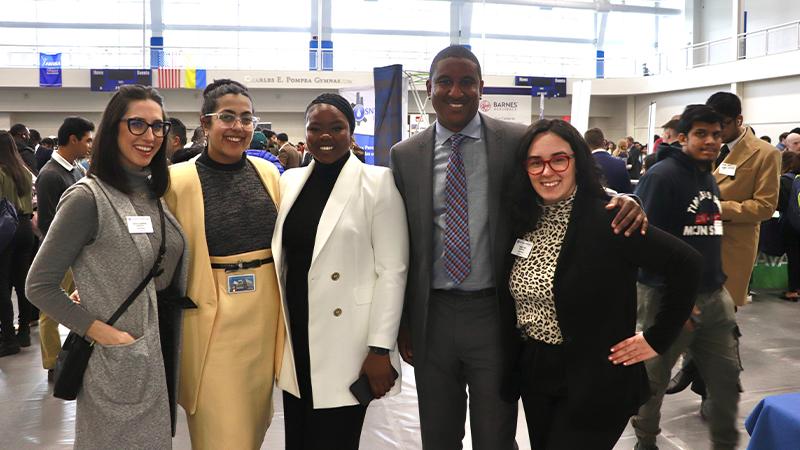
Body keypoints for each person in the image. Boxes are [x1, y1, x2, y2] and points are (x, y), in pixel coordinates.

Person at [389, 45, 647, 450]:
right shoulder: (405, 156)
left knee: (495, 435)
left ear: (481, 88)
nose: (456, 91)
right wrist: (404, 321)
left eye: (466, 82)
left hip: (495, 314)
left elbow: (561, 180)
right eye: (445, 81)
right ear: (429, 87)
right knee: (438, 436)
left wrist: (619, 197)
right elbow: (402, 243)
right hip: (431, 318)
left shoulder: (511, 141)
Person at [506, 118, 701, 449]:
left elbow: (686, 263)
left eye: (559, 159)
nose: (547, 171)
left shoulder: (611, 217)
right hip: (537, 373)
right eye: (535, 162)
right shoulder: (523, 217)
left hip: (596, 377)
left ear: (577, 162)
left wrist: (657, 338)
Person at [26, 84, 189, 449]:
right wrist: (101, 332)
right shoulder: (87, 198)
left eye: (158, 126)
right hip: (118, 354)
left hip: (156, 348)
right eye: (137, 125)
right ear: (113, 128)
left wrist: (99, 284)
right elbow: (39, 285)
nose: (150, 136)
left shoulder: (150, 192)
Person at [273, 93, 408, 449]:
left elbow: (393, 271)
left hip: (348, 340)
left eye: (337, 127)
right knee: (298, 438)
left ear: (351, 131)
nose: (326, 136)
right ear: (306, 133)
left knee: (334, 438)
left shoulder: (378, 183)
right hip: (297, 332)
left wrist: (380, 349)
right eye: (315, 128)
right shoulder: (289, 182)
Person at [163, 79, 283, 450]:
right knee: (222, 432)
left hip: (264, 316)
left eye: (247, 119)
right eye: (227, 117)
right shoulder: (177, 180)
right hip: (211, 318)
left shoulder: (268, 174)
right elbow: (155, 246)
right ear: (205, 123)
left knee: (253, 425)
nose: (238, 127)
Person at [631, 105, 742, 450]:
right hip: (668, 299)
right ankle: (645, 441)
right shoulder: (661, 177)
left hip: (714, 296)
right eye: (701, 134)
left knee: (726, 381)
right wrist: (681, 301)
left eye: (716, 134)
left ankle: (725, 443)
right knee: (652, 381)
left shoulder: (708, 176)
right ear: (682, 138)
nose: (710, 141)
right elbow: (647, 246)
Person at [0, 132, 35, 357]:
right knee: (22, 282)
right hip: (26, 227)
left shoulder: (0, 172)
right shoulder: (24, 171)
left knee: (2, 284)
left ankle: (8, 341)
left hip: (6, 228)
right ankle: (24, 333)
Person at [585, 127, 633, 193]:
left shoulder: (582, 164)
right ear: (604, 143)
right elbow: (628, 194)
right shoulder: (620, 164)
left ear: (586, 145)